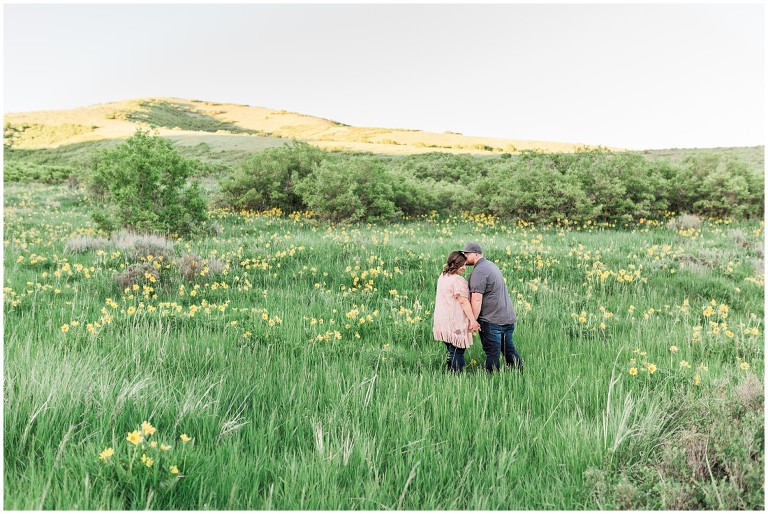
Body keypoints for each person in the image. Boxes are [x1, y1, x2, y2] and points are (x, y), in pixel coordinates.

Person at [461, 242, 523, 373]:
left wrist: (473, 321)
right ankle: (519, 374)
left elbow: (477, 299)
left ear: (476, 254)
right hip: (506, 318)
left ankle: (492, 380)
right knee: (509, 350)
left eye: (467, 253)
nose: (464, 256)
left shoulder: (479, 271)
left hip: (492, 320)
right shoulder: (490, 265)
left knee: (492, 353)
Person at [433, 251, 481, 372]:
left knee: (451, 350)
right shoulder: (458, 280)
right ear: (456, 264)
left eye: (465, 264)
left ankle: (450, 374)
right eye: (463, 265)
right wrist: (473, 320)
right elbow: (464, 302)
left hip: (442, 321)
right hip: (454, 321)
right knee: (457, 351)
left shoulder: (443, 276)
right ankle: (457, 378)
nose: (465, 267)